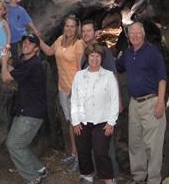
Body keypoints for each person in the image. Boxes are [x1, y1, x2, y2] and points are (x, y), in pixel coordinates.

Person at [116, 22, 167, 184]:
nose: (135, 36)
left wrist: (160, 102)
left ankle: (153, 180)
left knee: (153, 146)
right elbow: (115, 67)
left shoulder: (153, 53)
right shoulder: (128, 53)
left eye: (138, 33)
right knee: (135, 143)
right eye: (132, 34)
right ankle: (138, 177)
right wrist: (97, 54)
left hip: (151, 102)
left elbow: (162, 78)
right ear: (128, 37)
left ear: (143, 35)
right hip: (134, 104)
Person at [39, 14, 85, 171]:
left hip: (74, 90)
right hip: (62, 88)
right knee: (70, 123)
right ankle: (73, 153)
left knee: (76, 124)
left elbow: (80, 69)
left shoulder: (79, 44)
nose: (69, 29)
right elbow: (49, 52)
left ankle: (80, 158)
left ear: (76, 28)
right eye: (67, 26)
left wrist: (75, 89)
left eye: (72, 26)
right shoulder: (60, 39)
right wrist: (38, 38)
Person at [1, 33, 48, 184]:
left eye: (30, 43)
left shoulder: (33, 64)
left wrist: (2, 62)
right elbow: (13, 70)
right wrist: (4, 58)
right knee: (20, 144)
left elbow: (6, 78)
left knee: (14, 144)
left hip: (30, 113)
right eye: (25, 42)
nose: (26, 44)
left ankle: (33, 178)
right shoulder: (27, 62)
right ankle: (39, 169)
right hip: (26, 110)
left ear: (36, 48)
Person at [71, 43, 119, 184]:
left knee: (101, 153)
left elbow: (114, 101)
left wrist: (111, 122)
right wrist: (75, 121)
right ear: (87, 57)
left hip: (102, 121)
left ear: (102, 58)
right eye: (92, 56)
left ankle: (108, 179)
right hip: (82, 121)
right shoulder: (79, 76)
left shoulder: (109, 76)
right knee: (83, 151)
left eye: (98, 56)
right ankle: (87, 176)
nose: (95, 59)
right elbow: (74, 99)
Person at [80, 20, 121, 180]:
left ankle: (113, 177)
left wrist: (117, 102)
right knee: (94, 144)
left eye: (88, 31)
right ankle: (100, 175)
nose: (85, 34)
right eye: (83, 31)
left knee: (105, 146)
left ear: (94, 32)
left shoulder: (103, 52)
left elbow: (113, 75)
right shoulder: (85, 54)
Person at [5, 0, 40, 65]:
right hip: (11, 38)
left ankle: (26, 68)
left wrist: (35, 30)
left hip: (21, 36)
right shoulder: (5, 9)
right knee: (14, 56)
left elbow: (28, 21)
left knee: (23, 53)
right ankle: (17, 71)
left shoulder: (21, 10)